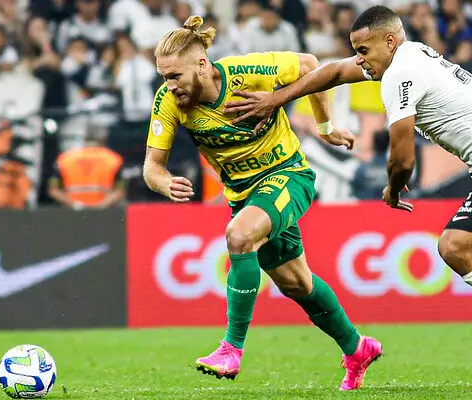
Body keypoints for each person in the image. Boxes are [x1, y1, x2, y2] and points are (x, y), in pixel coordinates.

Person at [223, 5, 472, 388]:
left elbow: (402, 154)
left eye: (364, 50)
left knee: (455, 246)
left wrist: (393, 189)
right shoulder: (408, 56)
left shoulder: (401, 73)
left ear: (390, 41)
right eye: (356, 50)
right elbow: (334, 71)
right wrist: (277, 99)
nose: (359, 60)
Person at [142, 15, 382, 390]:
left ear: (202, 66)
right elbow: (151, 167)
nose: (169, 86)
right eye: (163, 78)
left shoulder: (248, 72)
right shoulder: (169, 103)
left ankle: (231, 349)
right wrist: (164, 183)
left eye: (174, 76)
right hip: (245, 195)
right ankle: (357, 348)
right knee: (297, 285)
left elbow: (310, 65)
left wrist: (325, 127)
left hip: (289, 176)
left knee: (239, 237)